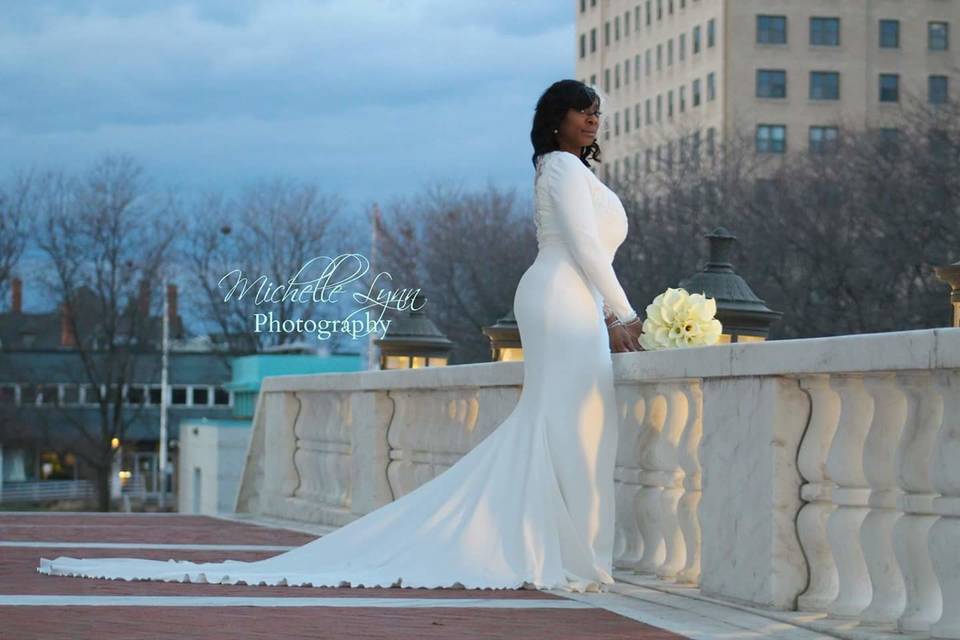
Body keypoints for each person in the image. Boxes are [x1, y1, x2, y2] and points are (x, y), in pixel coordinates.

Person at [37, 79, 645, 593]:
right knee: (571, 424)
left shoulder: (560, 167)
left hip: (570, 300)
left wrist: (608, 312)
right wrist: (622, 314)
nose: (593, 117)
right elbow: (587, 247)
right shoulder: (561, 166)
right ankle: (569, 554)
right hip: (564, 300)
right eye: (581, 107)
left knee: (570, 424)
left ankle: (569, 551)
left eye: (597, 110)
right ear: (555, 120)